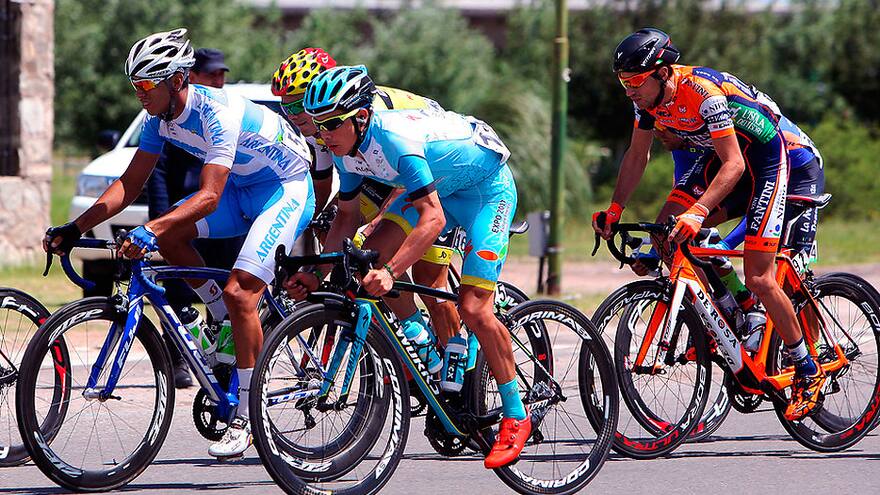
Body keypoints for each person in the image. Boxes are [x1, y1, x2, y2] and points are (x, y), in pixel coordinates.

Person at [44, 28, 315, 459]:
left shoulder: (217, 113)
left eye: (146, 86)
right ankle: (223, 317)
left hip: (284, 186)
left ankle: (247, 416)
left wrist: (149, 230)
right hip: (243, 188)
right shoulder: (158, 121)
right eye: (135, 86)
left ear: (176, 80)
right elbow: (129, 184)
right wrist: (76, 227)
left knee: (241, 289)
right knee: (175, 240)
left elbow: (208, 197)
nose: (139, 95)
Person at [283, 65, 529, 468]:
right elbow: (346, 219)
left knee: (473, 307)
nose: (322, 134)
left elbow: (431, 219)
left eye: (330, 124)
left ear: (360, 117)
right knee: (367, 266)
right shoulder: (348, 149)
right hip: (438, 186)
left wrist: (393, 273)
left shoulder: (395, 140)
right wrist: (316, 273)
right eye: (319, 125)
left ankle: (515, 413)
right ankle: (435, 361)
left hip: (485, 192)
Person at [594, 28, 824, 421]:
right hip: (725, 162)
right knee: (665, 233)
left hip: (768, 161)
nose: (629, 90)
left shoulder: (703, 94)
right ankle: (736, 311)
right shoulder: (646, 103)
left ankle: (807, 367)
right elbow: (637, 155)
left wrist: (698, 212)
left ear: (663, 72)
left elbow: (735, 164)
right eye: (623, 82)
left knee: (761, 276)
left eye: (634, 82)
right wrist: (615, 208)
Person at [271, 49, 461, 348]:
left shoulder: (368, 115)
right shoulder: (321, 126)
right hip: (374, 170)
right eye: (285, 107)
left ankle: (452, 361)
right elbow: (321, 191)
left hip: (431, 168)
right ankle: (399, 320)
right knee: (333, 227)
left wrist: (378, 223)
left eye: (297, 103)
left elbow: (404, 179)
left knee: (428, 281)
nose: (293, 114)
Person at [148, 47, 243, 390]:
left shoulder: (221, 113)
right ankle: (177, 359)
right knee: (178, 290)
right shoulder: (172, 115)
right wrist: (161, 219)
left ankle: (223, 362)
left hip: (220, 208)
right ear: (190, 77)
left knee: (223, 288)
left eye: (222, 74)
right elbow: (156, 171)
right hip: (184, 209)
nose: (219, 80)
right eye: (212, 74)